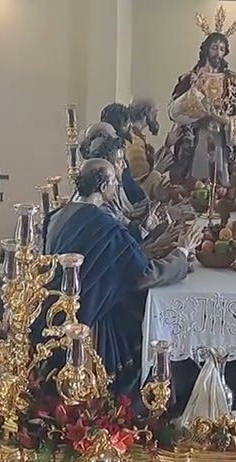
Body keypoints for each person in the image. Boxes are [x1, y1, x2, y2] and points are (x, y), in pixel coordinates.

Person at [45, 158, 190, 391]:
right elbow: (144, 274)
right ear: (103, 187)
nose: (118, 185)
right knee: (143, 331)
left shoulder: (56, 216)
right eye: (114, 181)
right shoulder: (104, 226)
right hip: (93, 320)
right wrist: (181, 255)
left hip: (56, 315)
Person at [164, 28, 236, 186]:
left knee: (220, 183)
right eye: (214, 47)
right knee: (194, 184)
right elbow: (173, 110)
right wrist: (193, 92)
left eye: (222, 49)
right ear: (206, 49)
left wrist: (227, 121)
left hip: (221, 138)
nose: (218, 53)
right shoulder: (188, 79)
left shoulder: (235, 81)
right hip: (196, 137)